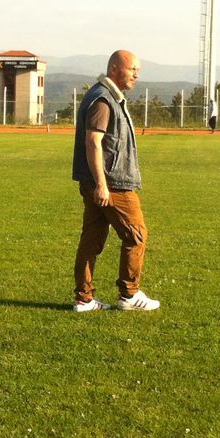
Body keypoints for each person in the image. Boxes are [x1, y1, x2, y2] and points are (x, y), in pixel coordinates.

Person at [71, 50, 160, 312]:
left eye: (138, 70)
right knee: (136, 234)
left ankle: (84, 299)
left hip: (101, 182)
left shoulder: (108, 96)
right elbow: (93, 142)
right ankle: (129, 294)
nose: (136, 74)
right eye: (132, 69)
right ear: (113, 69)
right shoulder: (103, 99)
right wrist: (102, 184)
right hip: (112, 184)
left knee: (92, 239)